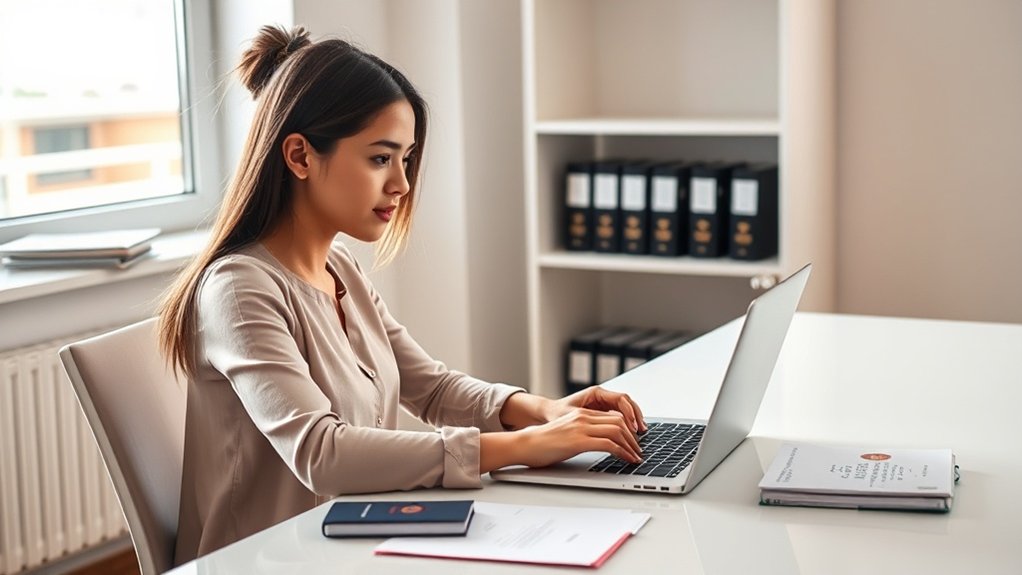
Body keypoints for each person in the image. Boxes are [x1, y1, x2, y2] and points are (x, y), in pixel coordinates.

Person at [158, 24, 647, 564]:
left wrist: (541, 411)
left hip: (349, 538)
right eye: (379, 158)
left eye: (406, 159)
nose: (402, 184)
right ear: (299, 156)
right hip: (267, 560)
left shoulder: (339, 267)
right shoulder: (239, 288)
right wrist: (521, 448)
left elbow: (431, 389)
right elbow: (322, 453)